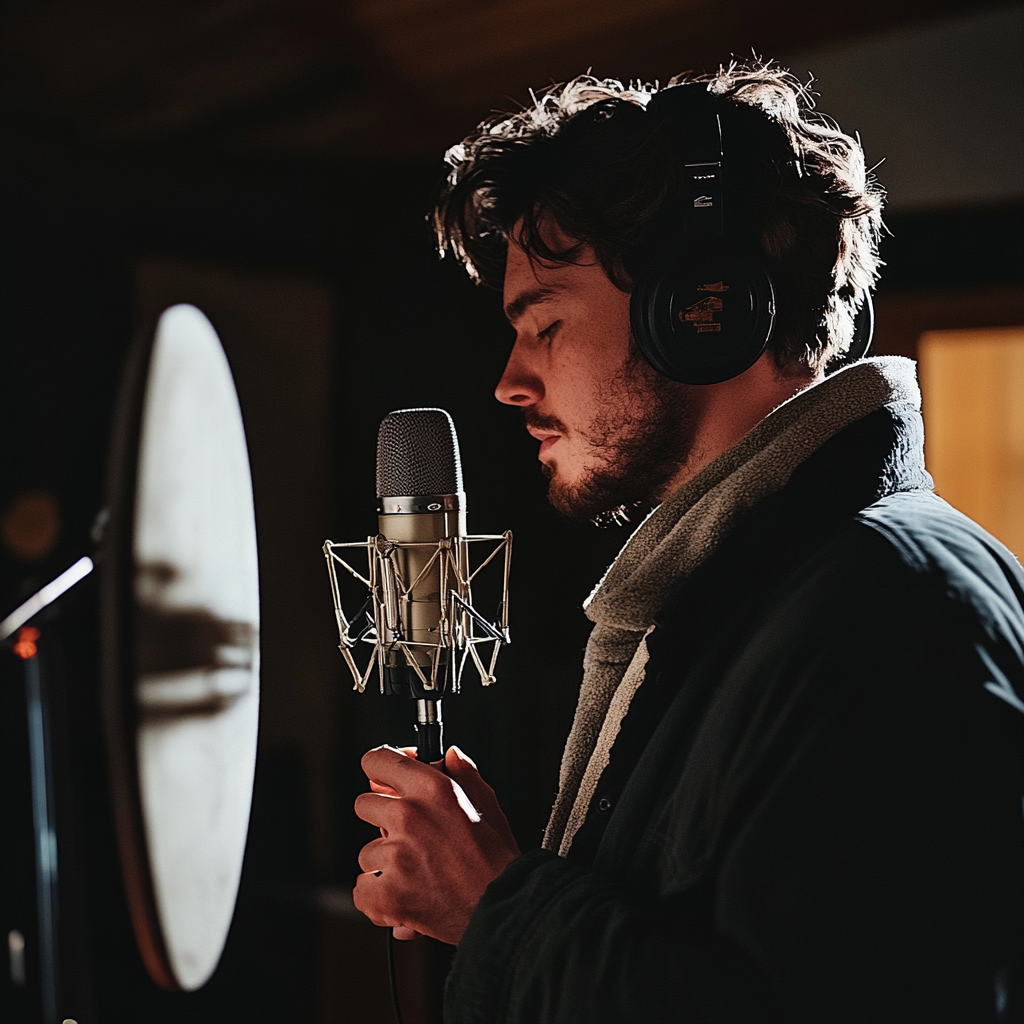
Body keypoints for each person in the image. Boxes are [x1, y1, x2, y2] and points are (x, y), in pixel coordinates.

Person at [353, 62, 1024, 1023]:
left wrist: (499, 907)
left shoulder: (896, 616)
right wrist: (499, 893)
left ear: (699, 309)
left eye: (542, 323)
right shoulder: (777, 598)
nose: (509, 381)